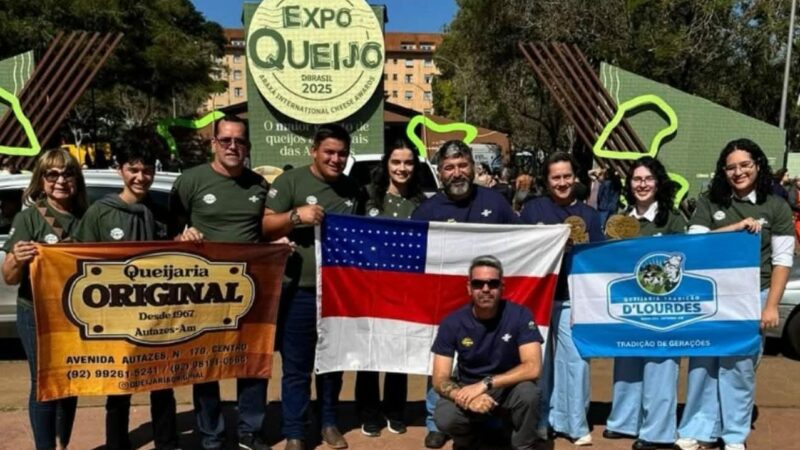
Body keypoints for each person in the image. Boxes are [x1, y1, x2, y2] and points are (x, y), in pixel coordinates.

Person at [675, 139, 793, 450]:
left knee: (740, 366)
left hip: (753, 296)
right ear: (723, 171)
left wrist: (771, 306)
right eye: (731, 167)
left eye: (745, 165)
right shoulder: (709, 202)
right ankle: (699, 428)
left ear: (758, 165)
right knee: (703, 362)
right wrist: (736, 227)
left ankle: (733, 434)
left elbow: (782, 261)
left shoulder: (776, 206)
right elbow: (695, 245)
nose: (738, 172)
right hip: (710, 298)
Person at [169, 115, 271, 450]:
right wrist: (182, 237)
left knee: (252, 362)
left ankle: (250, 431)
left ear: (248, 147)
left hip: (250, 290)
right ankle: (211, 435)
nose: (232, 146)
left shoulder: (259, 185)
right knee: (205, 365)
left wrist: (278, 244)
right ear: (214, 143)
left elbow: (266, 230)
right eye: (225, 140)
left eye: (239, 141)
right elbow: (170, 233)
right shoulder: (189, 181)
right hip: (204, 292)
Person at [411, 140, 520, 449]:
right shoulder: (426, 210)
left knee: (487, 359)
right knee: (440, 361)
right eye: (449, 167)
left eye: (462, 165)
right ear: (439, 172)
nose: (456, 173)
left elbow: (523, 238)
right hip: (442, 303)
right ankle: (436, 421)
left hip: (486, 302)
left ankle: (491, 417)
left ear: (473, 167)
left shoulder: (496, 202)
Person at [262, 124, 364, 450]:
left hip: (338, 292)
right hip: (299, 291)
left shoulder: (353, 189)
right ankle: (295, 431)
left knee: (332, 364)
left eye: (342, 154)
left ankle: (329, 422)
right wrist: (296, 216)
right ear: (314, 151)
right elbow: (264, 225)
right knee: (297, 366)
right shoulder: (290, 182)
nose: (336, 159)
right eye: (329, 152)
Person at [73, 138, 177, 450]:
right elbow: (79, 260)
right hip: (116, 315)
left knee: (163, 384)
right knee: (119, 386)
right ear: (120, 171)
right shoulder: (100, 213)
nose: (140, 177)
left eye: (146, 171)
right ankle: (117, 444)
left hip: (157, 315)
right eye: (133, 170)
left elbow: (178, 257)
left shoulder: (161, 212)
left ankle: (167, 443)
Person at [2, 149, 87, 450]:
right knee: (44, 381)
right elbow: (10, 277)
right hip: (36, 312)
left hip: (76, 314)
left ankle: (63, 444)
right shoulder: (29, 218)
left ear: (77, 179)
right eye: (52, 174)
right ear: (42, 180)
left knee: (71, 380)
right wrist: (17, 258)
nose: (60, 180)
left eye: (68, 173)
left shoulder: (88, 218)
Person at [519, 151, 604, 446]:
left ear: (575, 177)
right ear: (547, 180)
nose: (563, 182)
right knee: (540, 362)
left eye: (567, 176)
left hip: (574, 299)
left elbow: (597, 258)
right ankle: (542, 421)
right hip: (539, 299)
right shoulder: (532, 210)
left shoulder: (589, 215)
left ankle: (575, 423)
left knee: (576, 362)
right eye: (556, 177)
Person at [603, 157, 687, 450]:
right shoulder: (620, 219)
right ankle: (624, 421)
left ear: (658, 183)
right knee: (626, 362)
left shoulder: (673, 219)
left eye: (648, 179)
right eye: (637, 179)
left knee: (660, 365)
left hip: (663, 307)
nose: (642, 184)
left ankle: (658, 432)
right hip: (629, 304)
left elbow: (685, 260)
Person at [431, 255, 543, 450]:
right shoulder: (452, 322)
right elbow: (439, 379)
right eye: (478, 284)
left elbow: (533, 368)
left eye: (492, 283)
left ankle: (522, 445)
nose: (485, 289)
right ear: (469, 288)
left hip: (508, 387)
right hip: (468, 386)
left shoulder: (520, 315)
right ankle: (469, 441)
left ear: (502, 287)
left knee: (529, 395)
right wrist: (465, 397)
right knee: (445, 416)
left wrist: (484, 384)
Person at [356, 137, 426, 437]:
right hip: (369, 288)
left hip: (406, 289)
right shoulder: (366, 196)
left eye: (408, 162)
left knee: (399, 350)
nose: (402, 168)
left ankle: (395, 410)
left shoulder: (422, 203)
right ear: (386, 164)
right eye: (396, 162)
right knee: (369, 352)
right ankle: (369, 412)